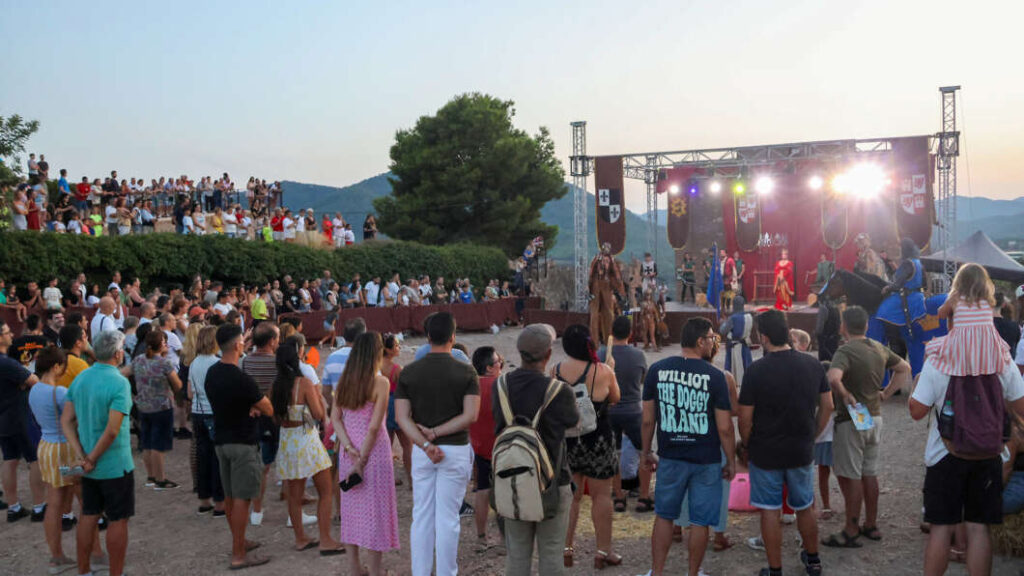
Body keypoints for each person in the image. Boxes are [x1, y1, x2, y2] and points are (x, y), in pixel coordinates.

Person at [910, 354, 1024, 575]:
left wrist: (916, 386)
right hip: (988, 455)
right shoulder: (1001, 358)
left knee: (941, 528)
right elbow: (1021, 406)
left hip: (943, 454)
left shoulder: (938, 358)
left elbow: (916, 412)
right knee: (979, 529)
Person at [738, 309, 832, 576]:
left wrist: (747, 444)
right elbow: (828, 405)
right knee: (804, 506)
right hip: (800, 448)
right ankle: (813, 560)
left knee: (769, 510)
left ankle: (775, 569)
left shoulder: (755, 371)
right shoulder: (813, 364)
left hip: (765, 450)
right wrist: (814, 433)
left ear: (763, 337)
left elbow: (744, 418)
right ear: (788, 333)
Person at [640, 317, 735, 576]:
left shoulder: (657, 371)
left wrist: (646, 451)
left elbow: (648, 419)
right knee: (700, 521)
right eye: (712, 338)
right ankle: (693, 573)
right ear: (699, 341)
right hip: (706, 459)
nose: (714, 341)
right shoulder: (716, 377)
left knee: (664, 516)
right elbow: (725, 427)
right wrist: (731, 459)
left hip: (670, 456)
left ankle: (656, 572)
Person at [394, 312, 480, 576]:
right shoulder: (466, 371)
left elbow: (402, 418)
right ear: (453, 337)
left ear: (428, 336)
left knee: (422, 516)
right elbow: (470, 416)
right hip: (454, 449)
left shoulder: (409, 372)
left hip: (423, 452)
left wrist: (424, 442)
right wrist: (436, 432)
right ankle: (446, 572)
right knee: (448, 518)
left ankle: (420, 572)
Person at [494, 324, 579, 576]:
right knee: (552, 552)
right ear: (548, 356)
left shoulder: (500, 386)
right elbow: (573, 422)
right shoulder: (558, 391)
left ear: (519, 352)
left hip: (511, 477)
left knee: (517, 554)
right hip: (552, 479)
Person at [824, 306, 910, 547]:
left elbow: (833, 377)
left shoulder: (845, 350)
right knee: (869, 473)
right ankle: (870, 524)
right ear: (866, 326)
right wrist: (886, 393)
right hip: (874, 415)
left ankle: (851, 529)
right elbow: (904, 368)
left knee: (850, 475)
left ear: (843, 326)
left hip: (852, 418)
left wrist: (845, 394)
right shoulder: (877, 347)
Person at [61, 330, 134, 576]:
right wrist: (91, 457)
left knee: (89, 515)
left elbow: (66, 420)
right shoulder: (119, 382)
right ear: (117, 354)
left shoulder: (81, 377)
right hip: (114, 464)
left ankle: (83, 570)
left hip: (88, 465)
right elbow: (112, 430)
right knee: (118, 519)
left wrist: (82, 455)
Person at [29, 346, 107, 574]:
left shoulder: (34, 389)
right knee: (86, 501)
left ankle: (56, 556)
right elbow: (75, 421)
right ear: (56, 366)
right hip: (65, 450)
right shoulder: (60, 393)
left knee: (54, 504)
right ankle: (96, 553)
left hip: (46, 447)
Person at [206, 323, 274, 570]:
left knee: (231, 496)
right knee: (243, 497)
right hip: (243, 442)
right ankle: (238, 553)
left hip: (222, 440)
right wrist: (254, 406)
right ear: (237, 345)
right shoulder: (242, 378)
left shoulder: (212, 373)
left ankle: (240, 541)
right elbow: (268, 407)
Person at [331, 332, 400, 575]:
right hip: (374, 453)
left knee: (351, 509)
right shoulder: (379, 382)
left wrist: (349, 448)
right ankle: (376, 570)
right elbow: (374, 426)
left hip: (348, 450)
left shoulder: (344, 381)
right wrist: (362, 458)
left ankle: (354, 568)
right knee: (376, 511)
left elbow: (335, 419)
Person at [554, 324, 622, 569]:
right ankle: (603, 551)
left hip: (568, 441)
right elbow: (615, 398)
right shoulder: (602, 370)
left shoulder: (556, 370)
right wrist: (610, 372)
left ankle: (566, 549)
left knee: (570, 498)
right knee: (601, 496)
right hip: (598, 440)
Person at [270, 342, 344, 554]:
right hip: (306, 439)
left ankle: (300, 537)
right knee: (325, 490)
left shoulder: (275, 386)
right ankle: (326, 538)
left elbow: (275, 417)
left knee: (294, 494)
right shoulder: (302, 383)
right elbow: (320, 414)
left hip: (287, 439)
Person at [597, 316, 652, 513]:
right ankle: (644, 497)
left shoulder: (602, 353)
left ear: (611, 332)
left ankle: (618, 495)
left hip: (610, 411)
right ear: (631, 333)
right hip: (633, 411)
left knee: (614, 454)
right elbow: (643, 379)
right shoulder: (638, 355)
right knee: (644, 453)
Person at [927, 263, 1014, 377]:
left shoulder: (956, 297)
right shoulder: (988, 299)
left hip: (961, 346)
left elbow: (941, 314)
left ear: (960, 281)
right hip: (986, 347)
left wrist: (950, 306)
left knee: (930, 351)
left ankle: (924, 380)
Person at [239, 322, 287, 527]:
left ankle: (257, 511)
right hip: (273, 417)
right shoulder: (277, 364)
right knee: (277, 463)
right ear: (271, 341)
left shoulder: (244, 362)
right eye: (277, 338)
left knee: (260, 466)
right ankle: (291, 509)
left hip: (251, 418)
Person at [1, 317, 46, 524]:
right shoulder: (7, 363)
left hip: (3, 417)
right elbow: (33, 380)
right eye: (7, 332)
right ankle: (39, 506)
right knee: (34, 459)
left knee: (10, 460)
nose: (11, 335)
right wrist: (27, 380)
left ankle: (13, 506)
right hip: (19, 415)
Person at [131, 330, 183, 490]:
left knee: (147, 443)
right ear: (160, 344)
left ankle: (151, 476)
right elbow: (177, 385)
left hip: (143, 406)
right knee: (158, 445)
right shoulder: (164, 363)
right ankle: (161, 479)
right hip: (161, 407)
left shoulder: (139, 360)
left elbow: (124, 373)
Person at [187, 326, 225, 516]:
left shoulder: (194, 363)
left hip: (197, 412)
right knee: (217, 459)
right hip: (213, 413)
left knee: (203, 458)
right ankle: (220, 503)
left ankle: (204, 500)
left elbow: (189, 392)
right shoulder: (216, 363)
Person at [469, 345, 503, 550]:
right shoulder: (500, 385)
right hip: (500, 446)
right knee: (502, 494)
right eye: (499, 362)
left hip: (477, 446)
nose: (501, 365)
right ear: (490, 368)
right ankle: (503, 539)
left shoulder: (471, 386)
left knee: (482, 490)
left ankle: (481, 537)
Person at [382, 333, 411, 486]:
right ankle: (411, 480)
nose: (399, 348)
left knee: (386, 444)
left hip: (381, 405)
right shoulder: (396, 368)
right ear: (388, 349)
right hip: (395, 404)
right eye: (396, 345)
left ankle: (389, 479)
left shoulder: (375, 366)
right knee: (406, 444)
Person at [322, 318, 367, 410]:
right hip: (364, 412)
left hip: (341, 410)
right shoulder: (367, 357)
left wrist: (336, 408)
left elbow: (325, 392)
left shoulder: (332, 358)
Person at [720, 295, 753, 384]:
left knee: (733, 369)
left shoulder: (733, 318)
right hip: (745, 346)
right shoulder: (749, 316)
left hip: (734, 348)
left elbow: (722, 331)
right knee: (747, 365)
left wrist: (723, 322)